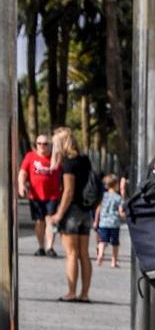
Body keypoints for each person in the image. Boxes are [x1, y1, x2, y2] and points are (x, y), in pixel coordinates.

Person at [49, 126, 98, 301]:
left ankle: (71, 292)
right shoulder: (85, 160)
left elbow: (68, 191)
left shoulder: (69, 164)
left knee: (71, 253)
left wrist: (59, 214)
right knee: (84, 253)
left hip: (72, 211)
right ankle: (84, 293)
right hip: (86, 210)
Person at [18, 133, 60, 254]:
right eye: (39, 143)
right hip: (35, 195)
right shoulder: (30, 156)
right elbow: (23, 173)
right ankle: (41, 246)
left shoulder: (54, 158)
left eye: (45, 144)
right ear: (36, 145)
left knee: (50, 220)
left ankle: (50, 247)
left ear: (50, 145)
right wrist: (21, 185)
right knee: (39, 222)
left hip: (52, 195)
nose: (42, 146)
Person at [95, 174, 125, 267]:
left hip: (103, 222)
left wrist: (96, 220)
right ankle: (113, 261)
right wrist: (124, 216)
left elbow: (98, 209)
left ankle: (100, 255)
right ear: (116, 185)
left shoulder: (103, 196)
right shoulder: (118, 197)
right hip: (114, 223)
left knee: (102, 241)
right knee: (115, 243)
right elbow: (120, 211)